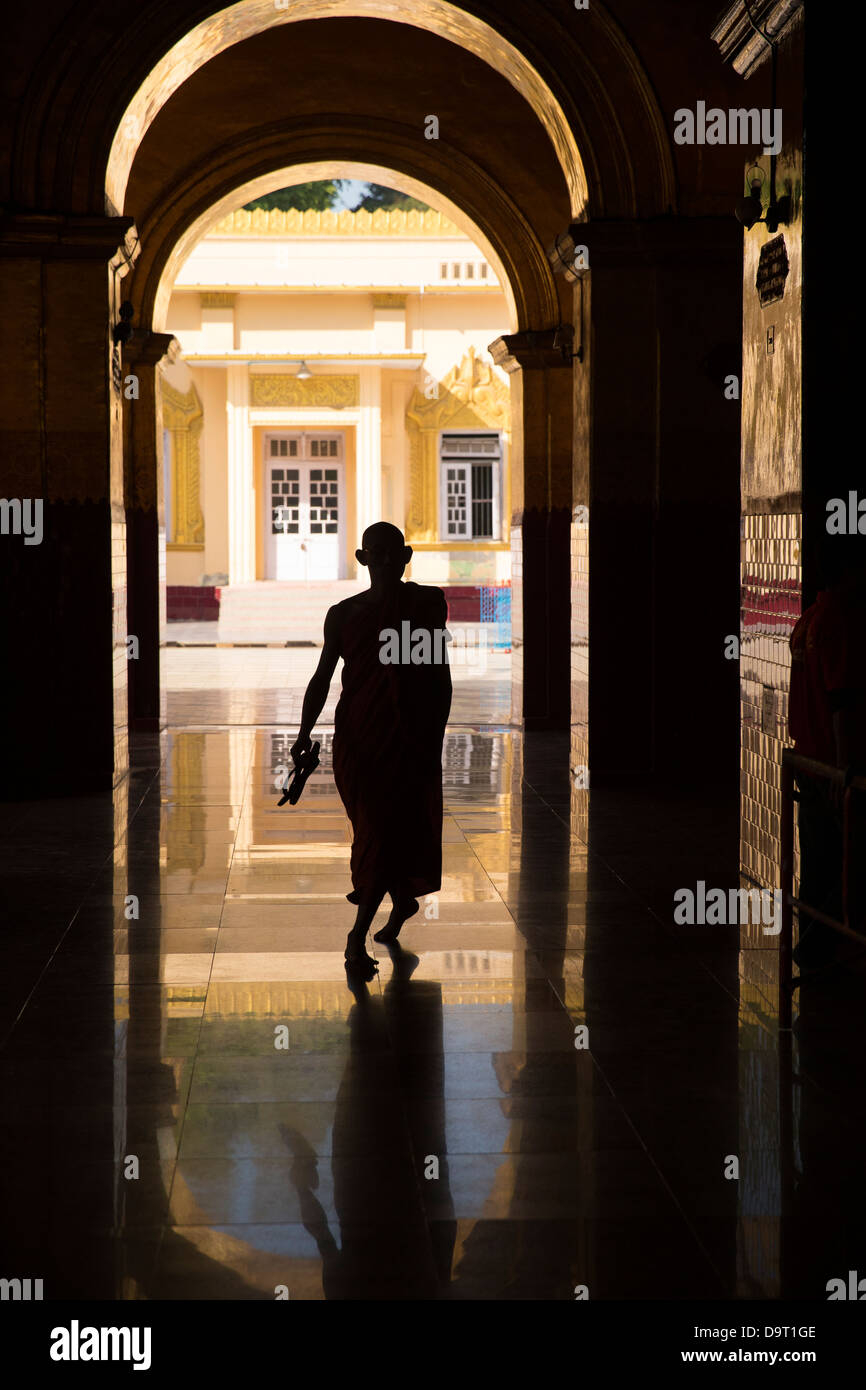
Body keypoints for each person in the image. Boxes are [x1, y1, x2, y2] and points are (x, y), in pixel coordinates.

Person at [291, 523, 452, 974]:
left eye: (392, 554)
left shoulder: (425, 604)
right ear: (362, 559)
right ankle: (401, 900)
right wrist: (303, 734)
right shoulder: (343, 615)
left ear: (406, 557)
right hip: (359, 739)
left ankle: (355, 940)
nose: (383, 563)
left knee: (380, 834)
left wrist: (434, 731)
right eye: (375, 555)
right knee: (373, 826)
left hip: (408, 738)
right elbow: (322, 678)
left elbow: (438, 670)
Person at [788, 534, 866, 966]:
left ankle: (811, 950)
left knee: (816, 863)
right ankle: (825, 950)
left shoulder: (809, 620)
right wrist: (844, 768)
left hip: (809, 761)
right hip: (829, 769)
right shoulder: (837, 621)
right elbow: (839, 701)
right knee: (837, 868)